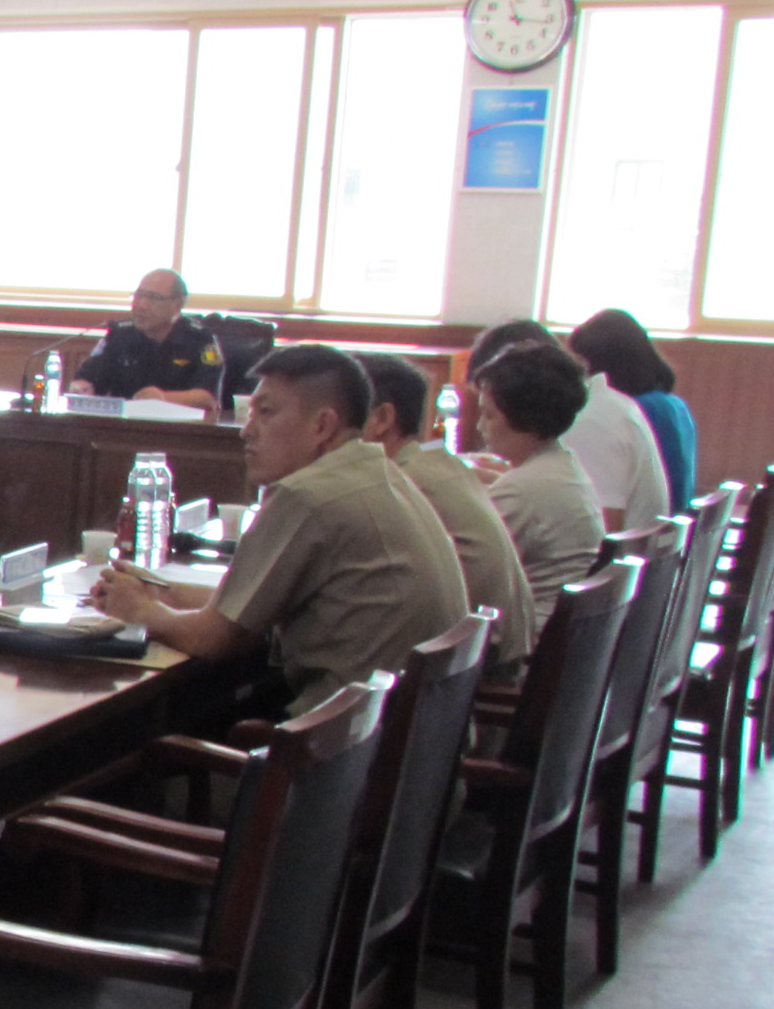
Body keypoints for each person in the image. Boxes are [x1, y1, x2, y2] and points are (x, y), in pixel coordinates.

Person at [92, 343, 467, 712]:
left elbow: (215, 638)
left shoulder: (309, 495)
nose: (247, 430)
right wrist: (163, 592)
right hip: (401, 733)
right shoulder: (384, 474)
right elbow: (246, 607)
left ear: (322, 425)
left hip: (333, 738)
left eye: (266, 412)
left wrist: (141, 610)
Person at [362, 353, 536, 677]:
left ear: (382, 419)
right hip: (488, 653)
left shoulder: (400, 484)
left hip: (471, 670)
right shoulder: (440, 464)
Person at [469, 319, 666, 529]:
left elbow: (607, 528)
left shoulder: (592, 420)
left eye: (489, 414)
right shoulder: (563, 456)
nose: (479, 426)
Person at [470, 343, 609, 604]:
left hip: (530, 627)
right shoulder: (563, 466)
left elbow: (461, 568)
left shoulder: (522, 489)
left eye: (488, 415)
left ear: (525, 418)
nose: (480, 426)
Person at [572, 308, 696, 506]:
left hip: (651, 521)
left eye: (582, 363)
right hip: (670, 519)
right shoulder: (674, 405)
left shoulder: (632, 411)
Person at [72, 268, 223, 411]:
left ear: (178, 304)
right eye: (138, 296)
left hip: (178, 426)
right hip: (124, 424)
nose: (141, 305)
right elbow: (86, 381)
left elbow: (208, 398)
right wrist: (81, 388)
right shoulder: (119, 335)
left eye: (153, 298)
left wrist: (164, 398)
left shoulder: (200, 338)